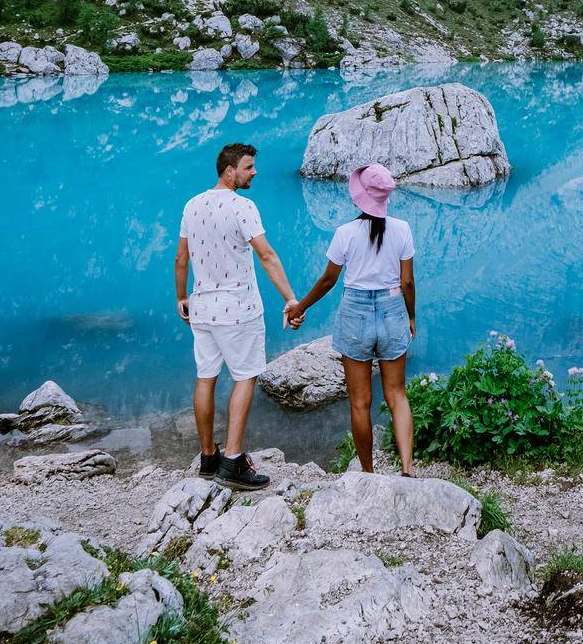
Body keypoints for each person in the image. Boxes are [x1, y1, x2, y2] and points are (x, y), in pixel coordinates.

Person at [176, 141, 301, 491]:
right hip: (238, 310)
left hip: (202, 307)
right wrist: (290, 298)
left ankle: (207, 457)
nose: (254, 172)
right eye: (249, 167)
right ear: (230, 171)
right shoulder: (243, 206)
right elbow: (267, 255)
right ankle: (232, 461)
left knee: (206, 377)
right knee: (245, 377)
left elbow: (181, 259)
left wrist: (182, 297)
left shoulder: (192, 204)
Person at [286, 163, 416, 476]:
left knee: (360, 403)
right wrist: (411, 317)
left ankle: (368, 473)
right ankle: (408, 468)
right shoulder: (402, 229)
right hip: (392, 309)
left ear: (359, 198)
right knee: (397, 394)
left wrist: (300, 306)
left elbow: (328, 280)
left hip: (355, 314)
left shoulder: (345, 234)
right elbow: (407, 282)